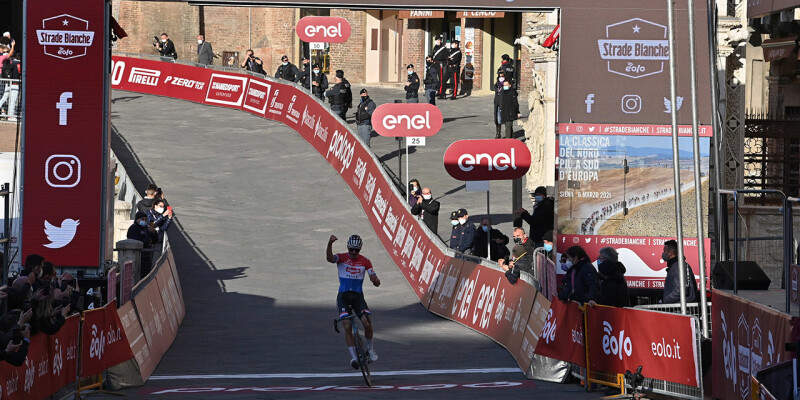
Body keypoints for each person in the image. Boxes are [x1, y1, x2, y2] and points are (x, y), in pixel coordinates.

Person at [326, 234, 380, 370]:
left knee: (367, 322)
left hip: (357, 297)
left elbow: (376, 281)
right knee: (347, 326)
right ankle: (354, 357)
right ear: (348, 248)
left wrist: (375, 281)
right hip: (343, 296)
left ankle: (370, 349)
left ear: (360, 249)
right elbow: (329, 258)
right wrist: (329, 243)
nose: (354, 252)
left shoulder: (365, 261)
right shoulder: (342, 257)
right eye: (351, 249)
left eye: (357, 250)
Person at [661, 239, 698, 304]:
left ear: (670, 253)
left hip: (679, 307)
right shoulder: (680, 265)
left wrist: (665, 300)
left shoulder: (677, 267)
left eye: (664, 251)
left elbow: (679, 291)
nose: (663, 253)